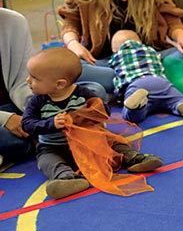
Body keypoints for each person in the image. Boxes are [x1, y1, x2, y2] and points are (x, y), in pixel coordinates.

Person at [21, 48, 162, 200]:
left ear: (60, 84)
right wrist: (51, 124)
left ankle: (134, 158)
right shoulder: (36, 101)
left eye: (34, 78)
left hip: (89, 142)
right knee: (46, 160)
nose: (28, 81)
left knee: (113, 142)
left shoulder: (83, 94)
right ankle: (66, 178)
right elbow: (27, 124)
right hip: (54, 147)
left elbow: (103, 112)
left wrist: (86, 115)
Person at [107, 29, 183, 126]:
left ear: (114, 50)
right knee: (176, 98)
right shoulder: (150, 50)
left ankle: (138, 106)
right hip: (161, 82)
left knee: (131, 114)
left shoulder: (116, 56)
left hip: (137, 84)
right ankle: (181, 105)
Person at [0, 8, 34, 170]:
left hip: (14, 105)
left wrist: (37, 112)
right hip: (3, 118)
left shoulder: (13, 22)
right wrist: (5, 119)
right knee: (6, 138)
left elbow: (23, 82)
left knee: (91, 92)